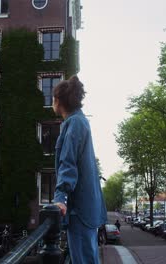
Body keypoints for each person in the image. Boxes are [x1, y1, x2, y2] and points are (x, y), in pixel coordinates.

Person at [52, 76, 107, 264]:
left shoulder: (75, 123)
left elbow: (68, 163)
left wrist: (60, 198)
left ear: (59, 101)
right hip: (86, 208)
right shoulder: (80, 121)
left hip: (79, 211)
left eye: (53, 99)